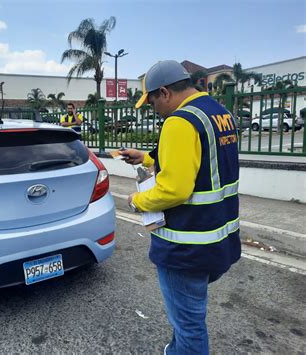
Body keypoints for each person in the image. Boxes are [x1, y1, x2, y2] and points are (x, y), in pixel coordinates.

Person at [120, 60, 241, 355]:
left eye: (151, 102)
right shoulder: (219, 113)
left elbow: (174, 189)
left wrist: (137, 201)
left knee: (188, 323)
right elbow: (197, 160)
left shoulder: (179, 121)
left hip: (186, 246)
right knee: (189, 314)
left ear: (164, 92)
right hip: (219, 239)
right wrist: (147, 158)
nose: (153, 109)